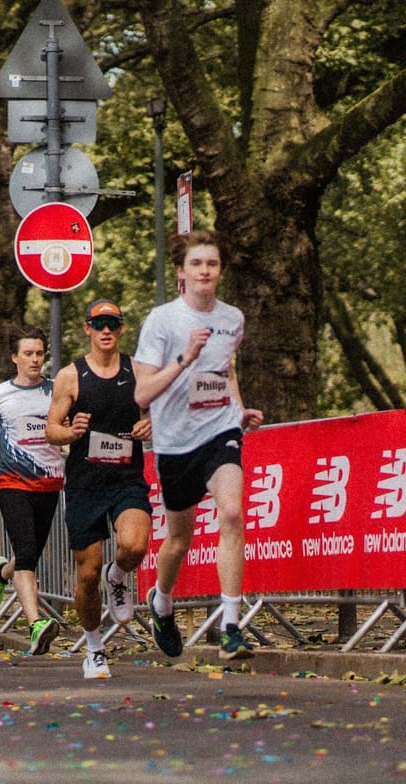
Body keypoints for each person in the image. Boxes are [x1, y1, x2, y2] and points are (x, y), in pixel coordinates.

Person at [134, 230, 266, 663]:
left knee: (232, 512)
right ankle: (162, 601)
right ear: (181, 272)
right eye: (196, 264)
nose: (205, 271)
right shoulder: (162, 321)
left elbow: (226, 370)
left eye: (212, 264)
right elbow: (141, 394)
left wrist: (239, 410)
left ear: (220, 271)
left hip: (219, 430)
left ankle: (231, 626)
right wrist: (184, 359)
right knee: (178, 540)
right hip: (175, 443)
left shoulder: (233, 318)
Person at [48, 300, 152, 680]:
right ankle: (94, 648)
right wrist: (70, 432)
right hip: (85, 484)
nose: (105, 330)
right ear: (87, 328)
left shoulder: (138, 371)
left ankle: (118, 575)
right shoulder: (70, 376)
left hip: (126, 479)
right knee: (88, 574)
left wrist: (149, 422)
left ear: (121, 328)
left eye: (112, 323)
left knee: (135, 546)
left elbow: (156, 410)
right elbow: (51, 429)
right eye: (99, 324)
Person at [0, 327, 64, 655]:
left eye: (39, 353)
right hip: (11, 482)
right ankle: (36, 624)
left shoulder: (56, 390)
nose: (35, 359)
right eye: (28, 354)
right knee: (26, 553)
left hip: (49, 482)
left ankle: (1, 572)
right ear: (14, 357)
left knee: (29, 555)